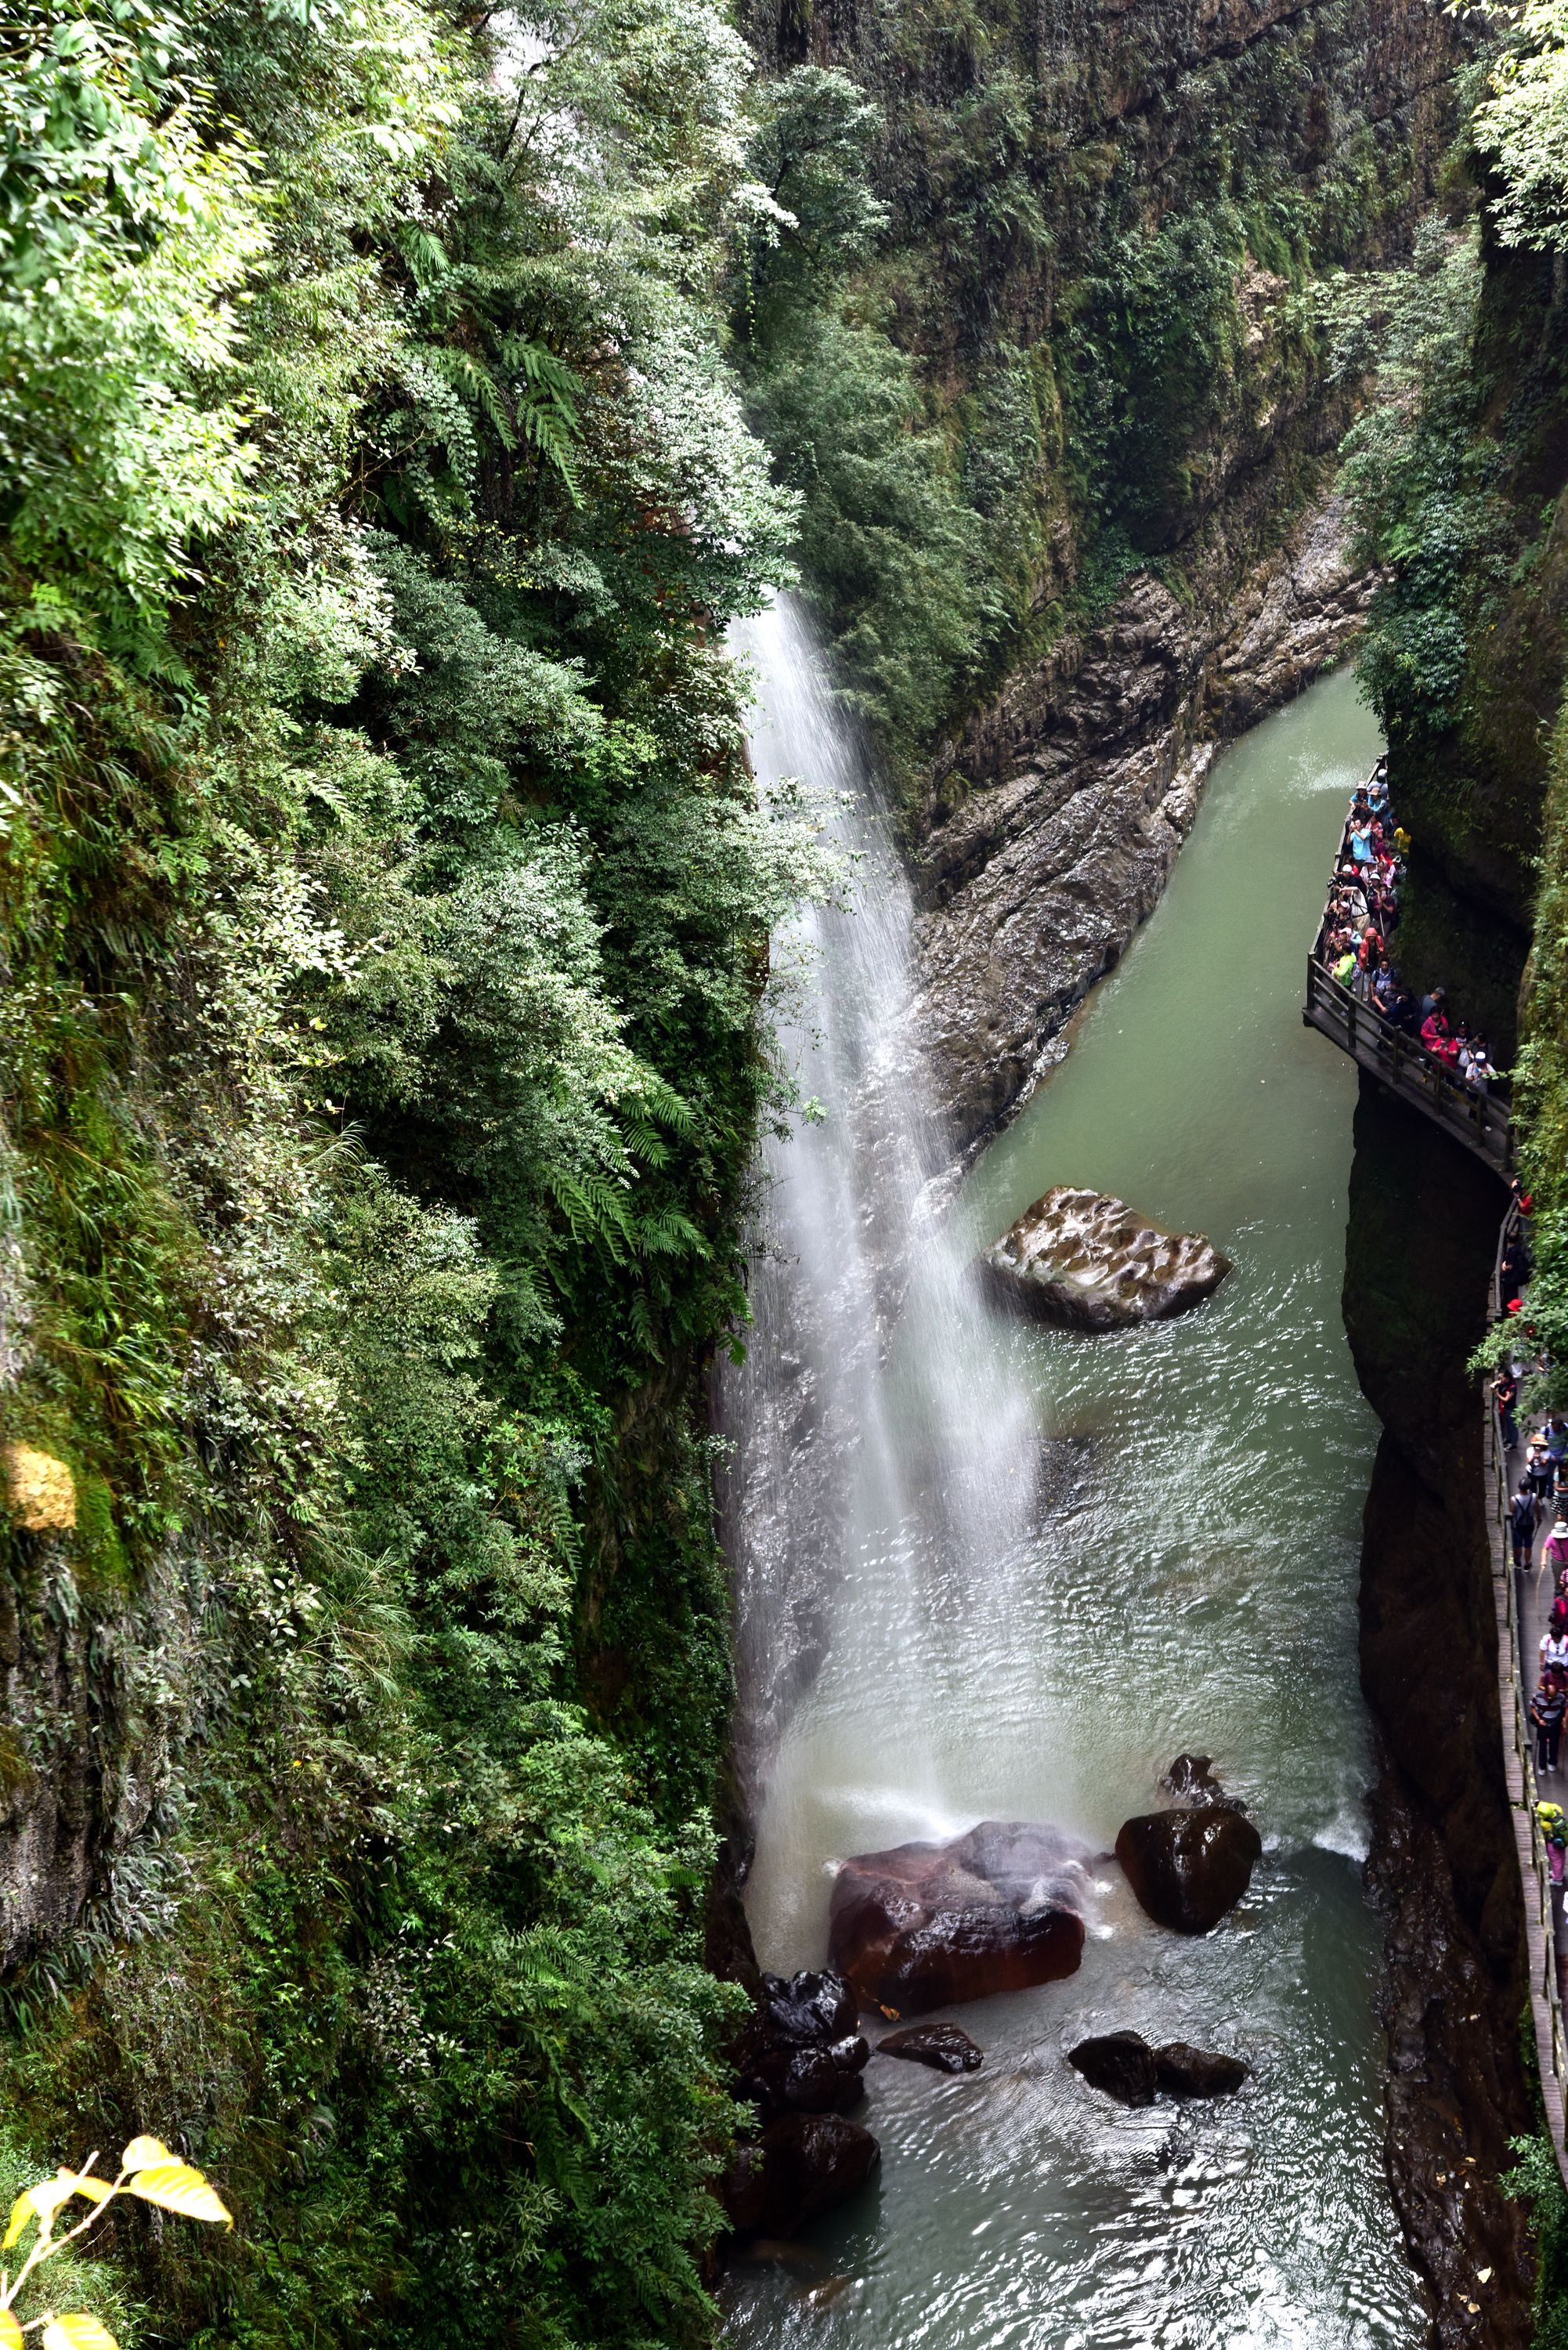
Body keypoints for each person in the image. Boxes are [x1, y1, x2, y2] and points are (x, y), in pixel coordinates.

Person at [1532, 1671, 1567, 1773]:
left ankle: (1552, 1762)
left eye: (1553, 1696)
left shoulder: (1561, 1697)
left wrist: (1564, 1719)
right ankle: (1542, 1767)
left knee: (1554, 1744)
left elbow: (1566, 1707)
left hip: (1555, 1724)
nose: (1551, 1698)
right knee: (1542, 1745)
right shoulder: (1538, 1697)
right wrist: (1538, 1719)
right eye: (1549, 1696)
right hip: (1543, 1724)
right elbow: (1532, 1707)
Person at [1514, 1481, 1541, 1567]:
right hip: (1529, 1525)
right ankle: (1527, 1564)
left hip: (1518, 1526)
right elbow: (1537, 1510)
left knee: (1518, 1545)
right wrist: (1539, 1519)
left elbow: (1512, 1511)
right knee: (1528, 1546)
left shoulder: (1514, 1499)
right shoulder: (1533, 1497)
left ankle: (1518, 1561)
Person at [1495, 1368, 1520, 1451]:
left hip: (1511, 1409)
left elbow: (1506, 1399)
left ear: (1507, 1378)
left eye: (1502, 1378)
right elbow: (1497, 1383)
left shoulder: (1512, 1387)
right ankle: (1509, 1439)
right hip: (1505, 1408)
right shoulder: (1504, 1383)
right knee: (1508, 1425)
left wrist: (1496, 1394)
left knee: (1513, 1426)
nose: (1500, 1380)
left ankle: (1514, 1444)